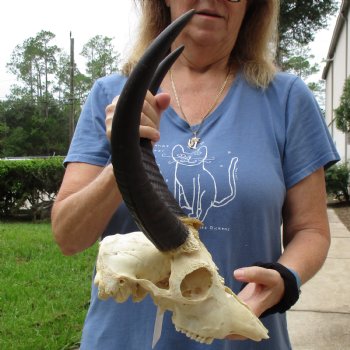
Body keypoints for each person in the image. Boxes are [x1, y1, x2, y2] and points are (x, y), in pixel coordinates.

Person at [51, 0, 340, 349]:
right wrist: (124, 156)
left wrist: (285, 278)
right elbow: (69, 236)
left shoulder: (287, 99)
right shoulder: (112, 95)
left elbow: (310, 230)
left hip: (242, 337)